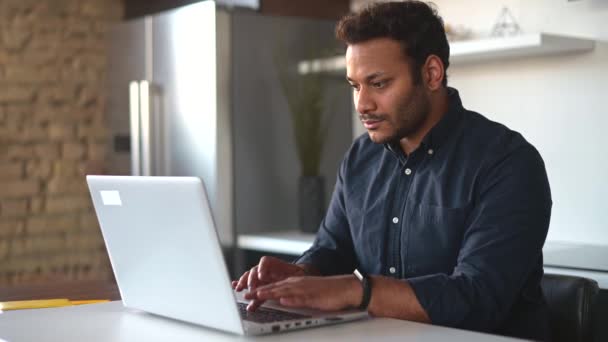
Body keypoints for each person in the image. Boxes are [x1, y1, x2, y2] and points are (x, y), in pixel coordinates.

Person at [232, 1, 552, 340]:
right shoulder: (360, 158)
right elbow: (333, 248)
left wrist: (358, 291)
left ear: (431, 73)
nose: (362, 104)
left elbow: (476, 299)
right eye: (356, 86)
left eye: (379, 84)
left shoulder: (508, 163)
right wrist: (299, 273)